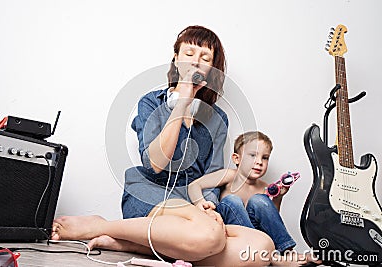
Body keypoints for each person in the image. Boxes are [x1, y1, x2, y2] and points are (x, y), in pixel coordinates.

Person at [52, 26, 318, 266]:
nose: (195, 61)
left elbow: (211, 177)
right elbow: (154, 163)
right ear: (176, 59)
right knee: (208, 237)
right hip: (150, 193)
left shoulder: (218, 120)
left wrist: (208, 203)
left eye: (205, 58)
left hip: (193, 206)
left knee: (260, 249)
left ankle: (128, 243)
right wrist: (183, 100)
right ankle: (104, 226)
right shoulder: (151, 103)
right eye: (189, 53)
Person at [188, 131, 296, 253]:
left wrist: (278, 197)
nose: (259, 162)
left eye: (265, 158)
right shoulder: (230, 175)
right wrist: (200, 203)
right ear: (236, 159)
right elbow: (194, 185)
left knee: (259, 200)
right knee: (232, 200)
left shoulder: (265, 188)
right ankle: (264, 252)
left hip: (258, 237)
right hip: (232, 232)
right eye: (252, 156)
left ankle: (287, 251)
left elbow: (272, 221)